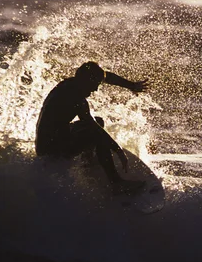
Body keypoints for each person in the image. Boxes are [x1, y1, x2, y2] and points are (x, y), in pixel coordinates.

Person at [35, 61, 148, 193]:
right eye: (94, 85)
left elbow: (107, 77)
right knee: (96, 135)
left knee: (98, 121)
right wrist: (118, 150)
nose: (96, 89)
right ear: (86, 81)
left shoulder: (73, 83)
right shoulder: (75, 99)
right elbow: (94, 129)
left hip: (53, 137)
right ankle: (116, 184)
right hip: (49, 149)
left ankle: (87, 161)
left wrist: (131, 85)